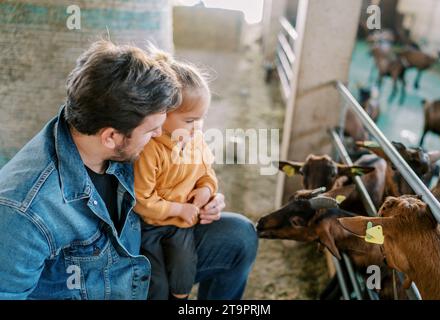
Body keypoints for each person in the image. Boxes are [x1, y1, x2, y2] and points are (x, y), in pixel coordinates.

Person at [0, 40, 258, 300]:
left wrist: (205, 192)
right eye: (150, 131)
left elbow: (186, 165)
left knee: (240, 236)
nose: (160, 134)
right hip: (108, 287)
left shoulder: (110, 128)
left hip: (142, 256)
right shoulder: (22, 214)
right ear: (111, 137)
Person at [134, 52, 218, 300]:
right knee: (155, 283)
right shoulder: (151, 149)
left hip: (182, 225)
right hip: (149, 226)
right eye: (190, 120)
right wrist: (178, 209)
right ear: (163, 112)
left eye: (201, 120)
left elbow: (206, 172)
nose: (197, 128)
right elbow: (142, 200)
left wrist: (207, 189)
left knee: (184, 273)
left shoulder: (195, 140)